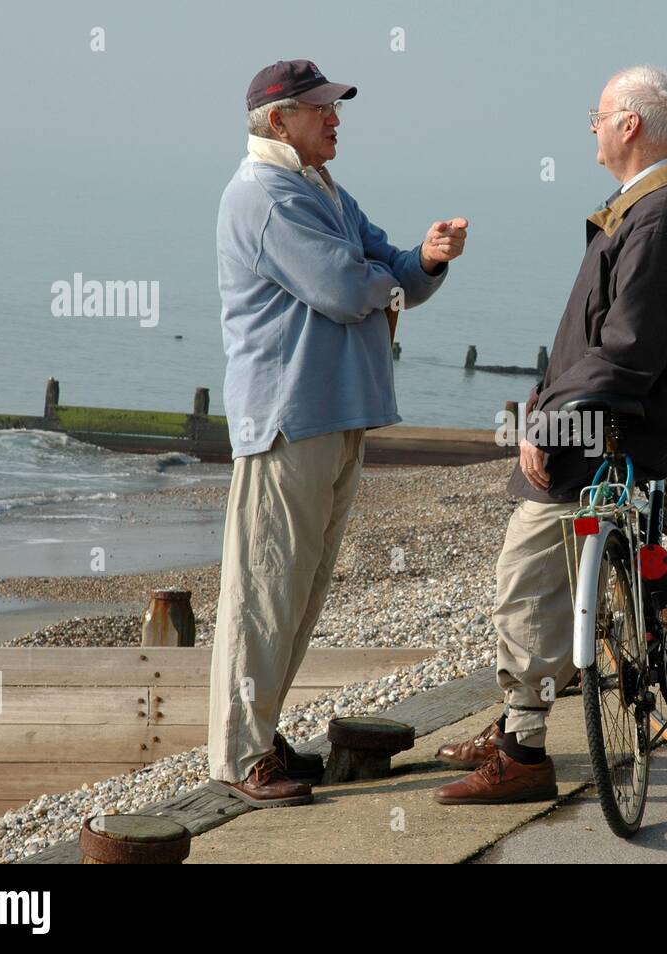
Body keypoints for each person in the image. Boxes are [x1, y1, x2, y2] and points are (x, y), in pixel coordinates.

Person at [434, 64, 667, 805]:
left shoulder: (660, 217)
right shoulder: (656, 204)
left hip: (606, 438)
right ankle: (515, 724)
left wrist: (551, 422)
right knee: (540, 579)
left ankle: (525, 752)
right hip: (601, 422)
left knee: (525, 582)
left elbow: (627, 352)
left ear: (628, 125)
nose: (590, 129)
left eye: (595, 117)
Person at [208, 58, 467, 807]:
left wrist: (423, 260)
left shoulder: (318, 189)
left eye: (334, 107)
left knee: (301, 590)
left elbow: (386, 270)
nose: (336, 118)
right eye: (321, 109)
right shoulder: (262, 195)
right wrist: (387, 276)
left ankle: (260, 735)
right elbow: (342, 287)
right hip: (289, 418)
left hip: (336, 412)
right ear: (278, 119)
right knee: (265, 592)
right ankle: (241, 753)